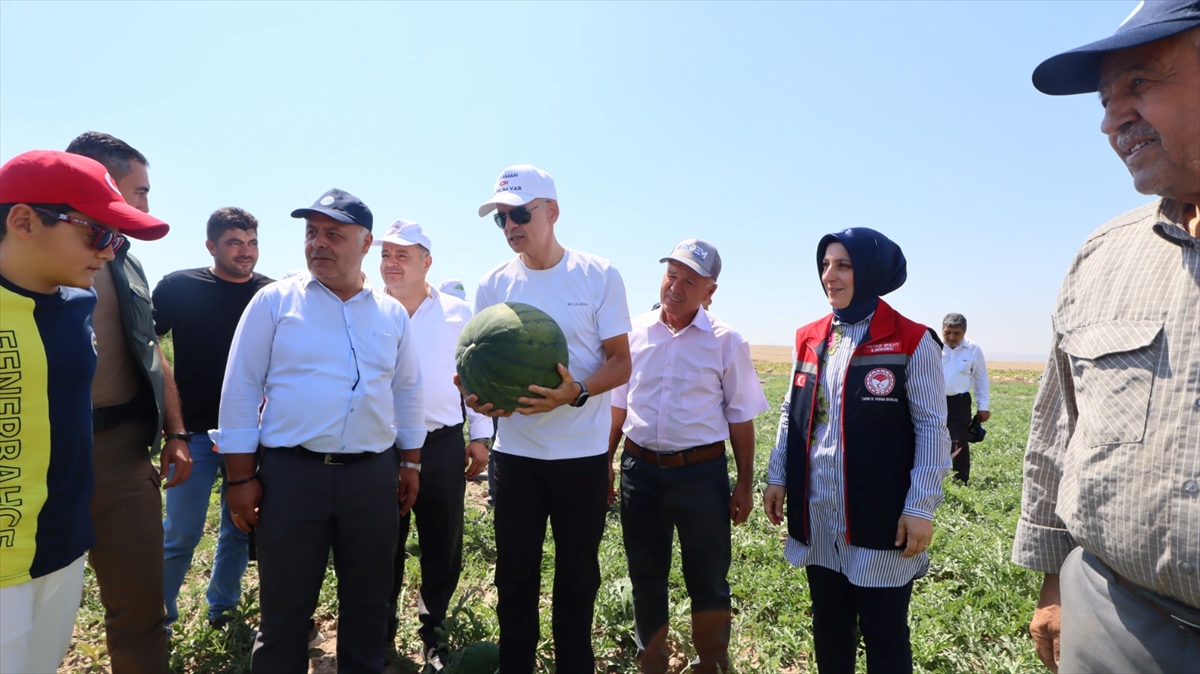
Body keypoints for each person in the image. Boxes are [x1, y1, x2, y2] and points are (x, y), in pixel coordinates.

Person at [1012, 3, 1200, 672]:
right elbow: (1058, 433)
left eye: (1140, 83)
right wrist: (1054, 580)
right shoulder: (1102, 255)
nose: (1110, 117)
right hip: (1112, 620)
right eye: (1105, 96)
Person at [212, 189, 425, 673]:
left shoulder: (390, 314)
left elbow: (409, 391)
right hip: (292, 477)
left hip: (371, 479)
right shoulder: (275, 302)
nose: (318, 244)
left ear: (365, 242)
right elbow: (241, 389)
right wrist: (241, 479)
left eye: (334, 234)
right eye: (311, 233)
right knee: (284, 611)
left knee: (369, 608)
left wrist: (410, 461)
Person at [0, 149, 168, 674]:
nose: (109, 252)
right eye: (98, 234)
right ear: (24, 220)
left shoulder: (78, 305)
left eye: (117, 240)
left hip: (60, 547)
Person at [464, 164, 632, 673]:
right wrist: (478, 398)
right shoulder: (492, 285)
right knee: (515, 578)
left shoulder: (598, 274)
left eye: (520, 213)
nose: (511, 226)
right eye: (501, 219)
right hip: (514, 459)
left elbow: (621, 362)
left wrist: (574, 392)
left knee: (577, 580)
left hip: (579, 457)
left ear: (552, 212)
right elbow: (477, 369)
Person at [763, 227, 950, 674]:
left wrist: (921, 507)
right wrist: (777, 476)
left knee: (884, 633)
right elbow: (793, 410)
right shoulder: (810, 336)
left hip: (879, 513)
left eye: (843, 265)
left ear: (869, 272)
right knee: (829, 623)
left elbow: (931, 427)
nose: (830, 275)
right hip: (821, 509)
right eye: (825, 265)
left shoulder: (912, 340)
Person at [609, 239, 768, 673]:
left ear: (710, 291)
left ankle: (712, 661)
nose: (675, 287)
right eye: (671, 275)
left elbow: (740, 416)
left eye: (690, 281)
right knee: (646, 574)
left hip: (701, 475)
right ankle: (653, 658)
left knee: (708, 578)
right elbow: (619, 405)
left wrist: (744, 483)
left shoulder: (726, 342)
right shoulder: (635, 332)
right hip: (640, 471)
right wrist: (606, 461)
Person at [66, 131, 191, 672]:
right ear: (103, 181)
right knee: (20, 609)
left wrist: (177, 432)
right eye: (139, 191)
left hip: (118, 454)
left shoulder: (125, 260)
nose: (145, 205)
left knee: (140, 610)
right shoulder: (18, 250)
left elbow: (149, 349)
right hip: (34, 455)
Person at [375, 219, 493, 669]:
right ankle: (380, 631)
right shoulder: (367, 309)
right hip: (380, 446)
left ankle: (434, 631)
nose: (391, 263)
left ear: (427, 262)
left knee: (443, 541)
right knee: (382, 541)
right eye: (385, 254)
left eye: (403, 255)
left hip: (441, 443)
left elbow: (475, 378)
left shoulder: (458, 314)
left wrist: (480, 436)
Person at [154, 207, 274, 630]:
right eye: (234, 243)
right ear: (211, 246)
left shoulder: (270, 294)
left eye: (252, 242)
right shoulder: (179, 287)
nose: (246, 252)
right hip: (195, 436)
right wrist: (172, 429)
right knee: (180, 533)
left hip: (251, 437)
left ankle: (222, 610)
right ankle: (159, 618)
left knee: (240, 529)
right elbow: (146, 342)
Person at [939, 312, 990, 484]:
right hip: (933, 400)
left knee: (959, 439)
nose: (951, 337)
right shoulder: (932, 346)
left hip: (959, 402)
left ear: (964, 332)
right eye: (948, 332)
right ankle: (933, 478)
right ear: (942, 330)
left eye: (957, 333)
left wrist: (984, 406)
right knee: (931, 437)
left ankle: (961, 479)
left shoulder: (974, 349)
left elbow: (980, 378)